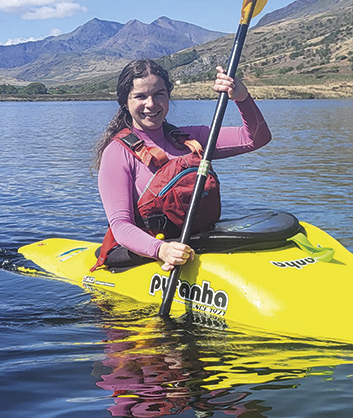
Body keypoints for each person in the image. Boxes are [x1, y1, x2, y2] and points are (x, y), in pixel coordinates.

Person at [93, 59, 271, 271]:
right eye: (140, 96)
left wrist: (242, 97)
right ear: (125, 101)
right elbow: (121, 225)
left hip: (195, 246)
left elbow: (255, 139)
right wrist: (161, 250)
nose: (151, 104)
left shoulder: (191, 138)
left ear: (168, 96)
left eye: (159, 94)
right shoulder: (117, 153)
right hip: (150, 254)